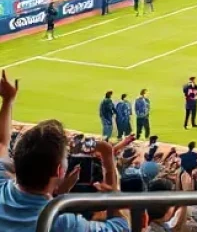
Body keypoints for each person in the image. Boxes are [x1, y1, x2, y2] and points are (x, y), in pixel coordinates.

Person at [0, 74, 128, 232]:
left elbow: (2, 144)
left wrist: (7, 101)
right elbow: (121, 227)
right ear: (60, 171)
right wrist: (109, 167)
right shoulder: (62, 224)